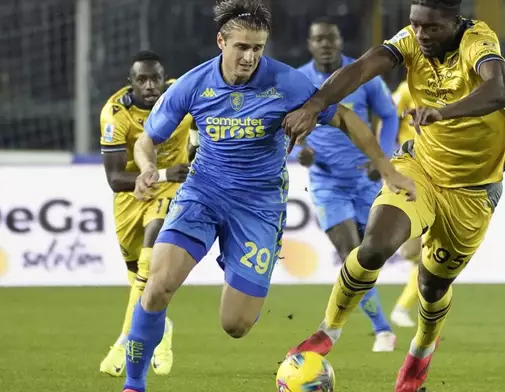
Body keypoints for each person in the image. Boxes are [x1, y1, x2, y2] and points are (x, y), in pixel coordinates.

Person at [121, 1, 415, 391]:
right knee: (157, 286)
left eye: (258, 48)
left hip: (259, 207)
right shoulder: (193, 84)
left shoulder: (285, 82)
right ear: (221, 41)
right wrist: (146, 169)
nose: (250, 56)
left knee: (236, 325)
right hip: (202, 193)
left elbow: (344, 116)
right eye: (242, 47)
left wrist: (388, 167)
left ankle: (238, 264)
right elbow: (147, 140)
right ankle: (134, 384)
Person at [283, 0, 505, 390]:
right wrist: (316, 103)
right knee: (374, 245)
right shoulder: (411, 40)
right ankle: (329, 330)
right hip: (420, 169)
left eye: (431, 28)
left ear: (454, 23)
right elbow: (362, 66)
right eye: (415, 25)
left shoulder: (477, 40)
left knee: (432, 285)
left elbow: (501, 89)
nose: (421, 35)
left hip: (472, 190)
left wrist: (444, 113)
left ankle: (420, 353)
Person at [293, 17, 399, 352]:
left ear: (339, 42)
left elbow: (390, 114)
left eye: (330, 39)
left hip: (365, 179)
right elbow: (288, 126)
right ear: (310, 44)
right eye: (318, 39)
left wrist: (380, 158)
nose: (325, 44)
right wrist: (300, 152)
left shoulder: (361, 76)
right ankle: (382, 329)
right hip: (327, 182)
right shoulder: (299, 81)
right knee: (350, 254)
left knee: (372, 255)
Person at [99, 50, 196, 377]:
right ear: (132, 82)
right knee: (136, 274)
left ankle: (125, 341)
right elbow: (114, 180)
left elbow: (207, 122)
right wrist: (166, 174)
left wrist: (195, 145)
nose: (151, 85)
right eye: (142, 79)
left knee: (150, 263)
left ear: (163, 76)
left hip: (170, 190)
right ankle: (161, 327)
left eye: (156, 77)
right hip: (132, 192)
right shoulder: (116, 114)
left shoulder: (180, 96)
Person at [389, 80, 422, 328]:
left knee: (427, 255)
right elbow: (386, 118)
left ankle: (403, 308)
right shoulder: (406, 91)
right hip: (411, 172)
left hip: (441, 175)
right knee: (412, 252)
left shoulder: (453, 90)